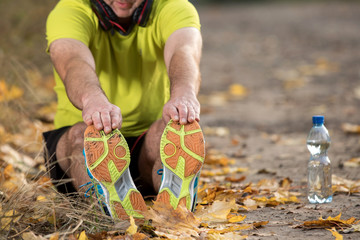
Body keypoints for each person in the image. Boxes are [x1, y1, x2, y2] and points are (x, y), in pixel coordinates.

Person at [43, 0, 205, 220]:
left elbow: (184, 51)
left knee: (168, 131)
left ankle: (174, 212)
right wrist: (92, 100)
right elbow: (73, 61)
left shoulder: (174, 7)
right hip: (83, 143)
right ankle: (106, 210)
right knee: (82, 135)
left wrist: (184, 94)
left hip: (143, 145)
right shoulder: (69, 11)